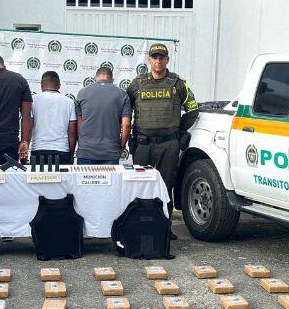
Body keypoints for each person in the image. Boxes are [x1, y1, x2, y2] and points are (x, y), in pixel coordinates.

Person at [126, 43, 198, 201]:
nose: (158, 60)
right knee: (139, 187)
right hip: (142, 145)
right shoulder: (137, 84)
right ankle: (139, 222)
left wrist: (178, 128)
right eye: (154, 57)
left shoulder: (178, 84)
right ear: (149, 60)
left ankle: (165, 223)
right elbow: (125, 111)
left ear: (167, 60)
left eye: (162, 57)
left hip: (168, 145)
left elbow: (193, 110)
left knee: (166, 187)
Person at [74, 64, 131, 164]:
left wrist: (83, 144)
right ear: (112, 80)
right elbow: (126, 125)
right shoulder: (122, 94)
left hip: (86, 151)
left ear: (95, 78)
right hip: (110, 152)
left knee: (84, 180)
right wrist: (122, 147)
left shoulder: (82, 93)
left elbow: (79, 124)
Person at [29, 70, 77, 166]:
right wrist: (71, 155)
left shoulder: (33, 100)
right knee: (61, 181)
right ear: (59, 85)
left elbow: (28, 128)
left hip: (38, 150)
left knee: (37, 180)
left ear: (41, 85)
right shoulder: (69, 102)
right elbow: (72, 132)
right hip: (62, 151)